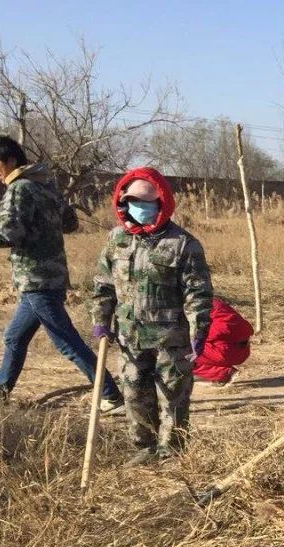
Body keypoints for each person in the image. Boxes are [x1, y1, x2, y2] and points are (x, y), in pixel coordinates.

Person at [0, 136, 122, 411]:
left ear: (11, 161)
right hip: (48, 277)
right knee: (15, 337)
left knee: (67, 343)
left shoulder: (19, 188)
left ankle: (111, 395)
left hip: (36, 278)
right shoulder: (45, 186)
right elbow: (70, 223)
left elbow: (10, 234)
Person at [90, 167, 212, 465]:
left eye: (148, 202)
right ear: (123, 202)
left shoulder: (183, 243)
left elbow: (198, 292)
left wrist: (199, 330)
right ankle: (143, 447)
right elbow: (103, 285)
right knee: (134, 394)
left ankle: (171, 450)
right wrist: (100, 321)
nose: (141, 208)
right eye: (134, 201)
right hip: (130, 336)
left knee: (172, 396)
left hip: (170, 338)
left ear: (161, 203)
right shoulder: (116, 240)